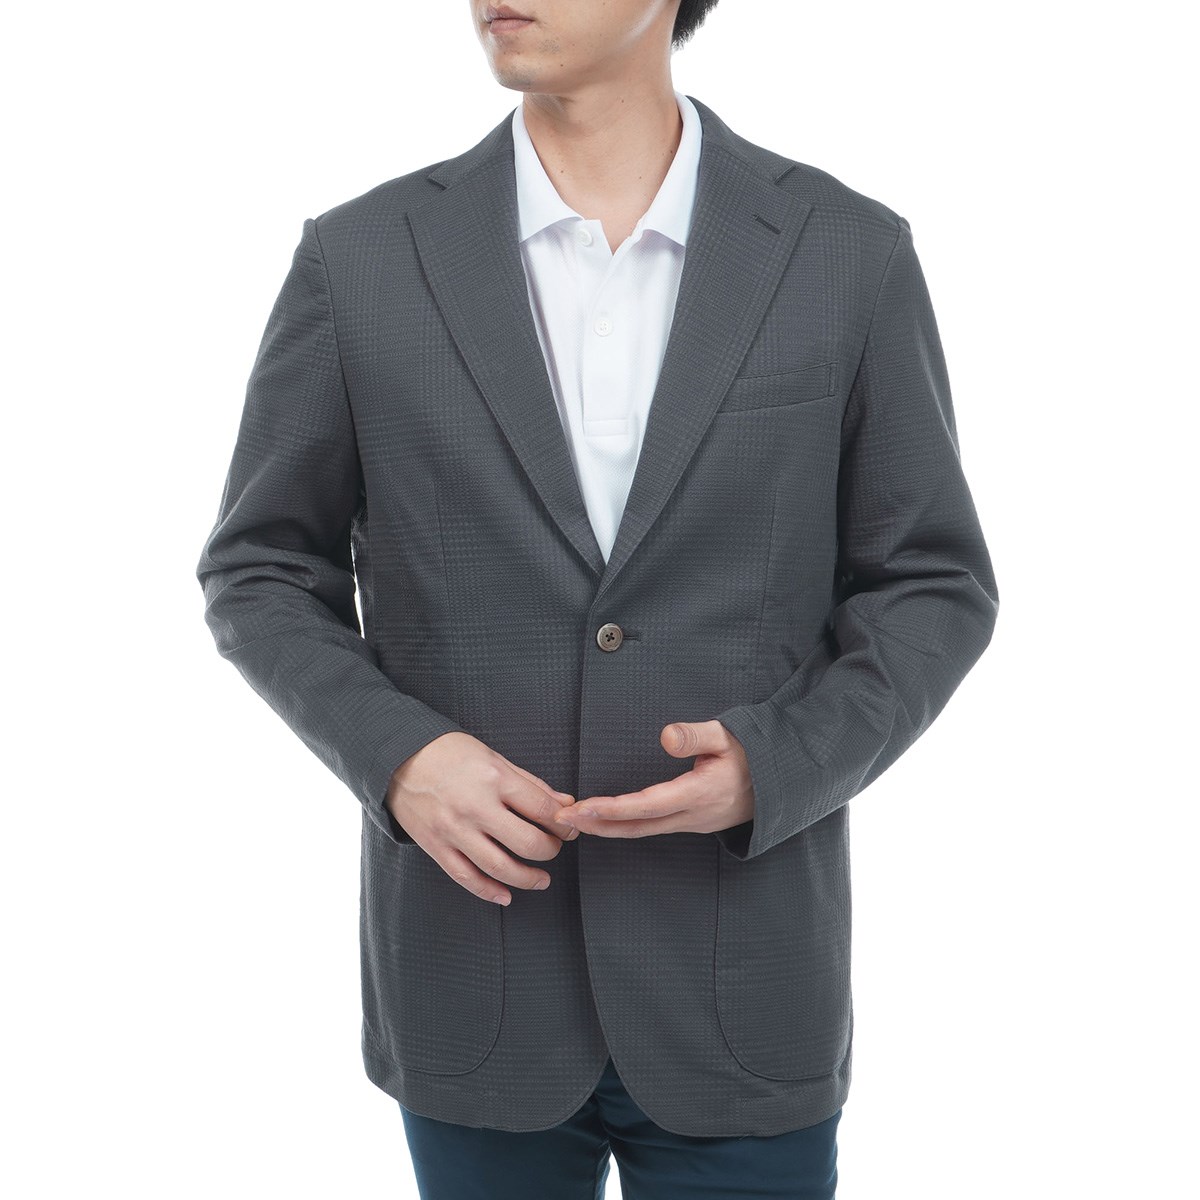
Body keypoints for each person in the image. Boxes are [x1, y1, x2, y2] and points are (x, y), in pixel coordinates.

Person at [195, 1, 999, 1196]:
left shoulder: (846, 253)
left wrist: (777, 764)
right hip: (474, 973)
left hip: (743, 975)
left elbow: (932, 583)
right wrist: (400, 758)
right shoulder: (359, 258)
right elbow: (260, 568)